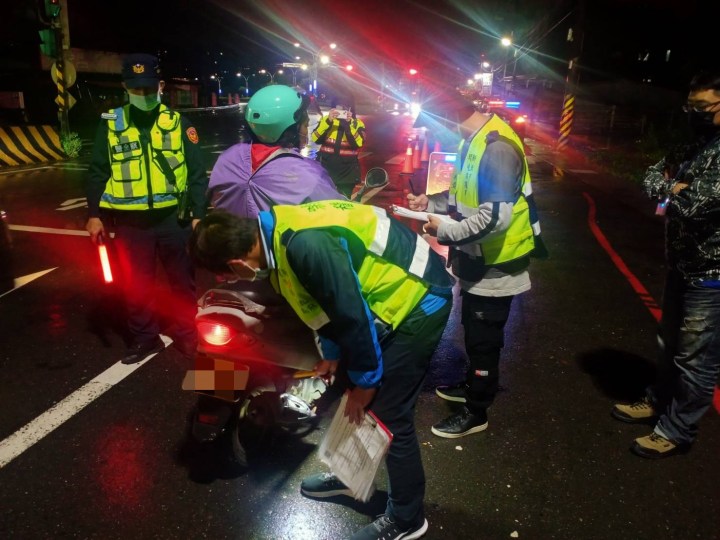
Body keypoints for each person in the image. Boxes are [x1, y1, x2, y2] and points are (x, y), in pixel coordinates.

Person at [189, 201, 454, 540]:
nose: (226, 280)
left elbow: (351, 315)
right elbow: (317, 304)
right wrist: (331, 354)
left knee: (388, 414)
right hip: (381, 300)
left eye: (224, 274)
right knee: (349, 390)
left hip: (420, 296)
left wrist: (368, 381)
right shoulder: (273, 237)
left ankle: (407, 518)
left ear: (237, 263)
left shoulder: (305, 245)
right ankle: (351, 477)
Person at [407, 89, 545, 439]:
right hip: (479, 261)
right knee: (474, 332)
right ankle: (472, 387)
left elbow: (493, 219)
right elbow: (462, 196)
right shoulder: (476, 139)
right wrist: (431, 202)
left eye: (435, 128)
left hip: (496, 266)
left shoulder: (496, 148)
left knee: (484, 341)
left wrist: (445, 232)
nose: (435, 138)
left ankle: (476, 410)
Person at [611, 69, 720, 459]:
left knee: (697, 358)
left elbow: (696, 207)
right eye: (691, 105)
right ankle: (659, 401)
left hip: (713, 274)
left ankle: (677, 430)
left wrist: (677, 192)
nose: (695, 113)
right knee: (669, 343)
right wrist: (672, 187)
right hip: (683, 265)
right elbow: (651, 175)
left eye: (703, 106)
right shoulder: (698, 144)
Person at [85, 53, 208, 364]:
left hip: (173, 219)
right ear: (126, 88)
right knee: (137, 285)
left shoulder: (179, 123)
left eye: (149, 89)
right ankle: (145, 338)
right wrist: (93, 214)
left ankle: (187, 333)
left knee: (182, 282)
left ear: (161, 86)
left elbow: (196, 173)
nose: (143, 95)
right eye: (136, 89)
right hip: (130, 223)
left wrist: (198, 216)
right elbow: (98, 170)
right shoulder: (111, 123)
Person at [207, 84, 342, 218]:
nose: (306, 131)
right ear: (291, 129)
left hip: (229, 237)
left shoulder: (227, 158)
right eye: (306, 125)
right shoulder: (307, 174)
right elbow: (336, 216)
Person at [312, 95, 366, 197]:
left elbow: (358, 143)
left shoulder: (357, 124)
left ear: (350, 109)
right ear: (334, 107)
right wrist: (328, 122)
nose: (341, 111)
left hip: (347, 173)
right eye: (338, 107)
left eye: (344, 108)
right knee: (324, 203)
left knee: (344, 205)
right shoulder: (327, 120)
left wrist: (348, 125)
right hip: (326, 171)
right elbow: (315, 138)